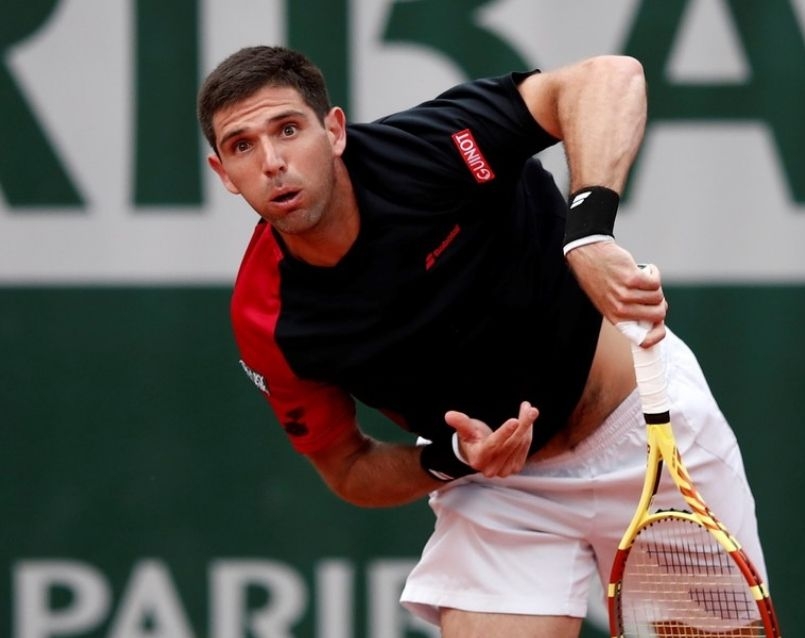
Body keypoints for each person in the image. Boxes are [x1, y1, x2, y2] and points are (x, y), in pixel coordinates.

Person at [198, 45, 769, 637]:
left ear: (334, 131)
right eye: (242, 146)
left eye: (288, 130)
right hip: (503, 492)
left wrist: (589, 234)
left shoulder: (430, 148)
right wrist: (452, 460)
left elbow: (610, 77)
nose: (272, 162)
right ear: (224, 174)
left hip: (648, 438)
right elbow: (347, 468)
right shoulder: (269, 318)